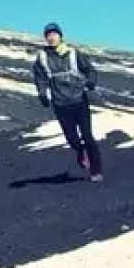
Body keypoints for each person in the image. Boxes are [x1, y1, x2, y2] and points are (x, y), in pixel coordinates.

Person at [32, 22, 104, 182]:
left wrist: (91, 81)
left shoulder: (73, 53)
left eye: (54, 34)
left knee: (88, 136)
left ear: (60, 36)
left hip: (79, 100)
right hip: (61, 104)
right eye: (48, 35)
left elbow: (89, 70)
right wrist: (42, 94)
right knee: (71, 138)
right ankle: (79, 151)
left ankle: (96, 171)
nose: (51, 38)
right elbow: (40, 78)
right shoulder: (42, 57)